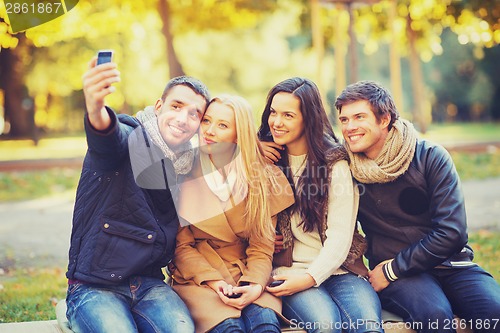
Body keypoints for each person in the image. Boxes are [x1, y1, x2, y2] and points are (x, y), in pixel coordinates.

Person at [335, 80, 500, 333]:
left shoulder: (430, 156)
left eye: (359, 117)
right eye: (344, 119)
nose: (350, 127)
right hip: (401, 277)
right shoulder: (345, 168)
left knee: (494, 311)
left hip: (449, 265)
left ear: (384, 119)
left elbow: (452, 232)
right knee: (435, 315)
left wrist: (392, 269)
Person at [65, 55, 210, 332]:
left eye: (195, 113)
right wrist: (96, 108)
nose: (183, 118)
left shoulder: (189, 164)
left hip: (149, 285)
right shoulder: (131, 136)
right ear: (158, 106)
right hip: (95, 285)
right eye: (176, 106)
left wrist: (259, 150)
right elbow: (107, 137)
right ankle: (73, 311)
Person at [258, 77, 383, 333]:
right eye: (273, 112)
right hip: (288, 270)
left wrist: (310, 277)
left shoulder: (335, 163)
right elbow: (217, 149)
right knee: (325, 325)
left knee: (367, 326)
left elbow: (340, 236)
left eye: (288, 115)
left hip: (340, 270)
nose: (277, 122)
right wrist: (250, 149)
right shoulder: (265, 160)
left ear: (308, 118)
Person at [169, 94, 295, 333]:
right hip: (200, 278)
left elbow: (261, 247)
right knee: (229, 328)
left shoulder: (261, 176)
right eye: (207, 121)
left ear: (239, 135)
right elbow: (181, 248)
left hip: (248, 271)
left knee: (265, 325)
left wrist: (255, 285)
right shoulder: (182, 171)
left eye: (222, 125)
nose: (210, 131)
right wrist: (215, 282)